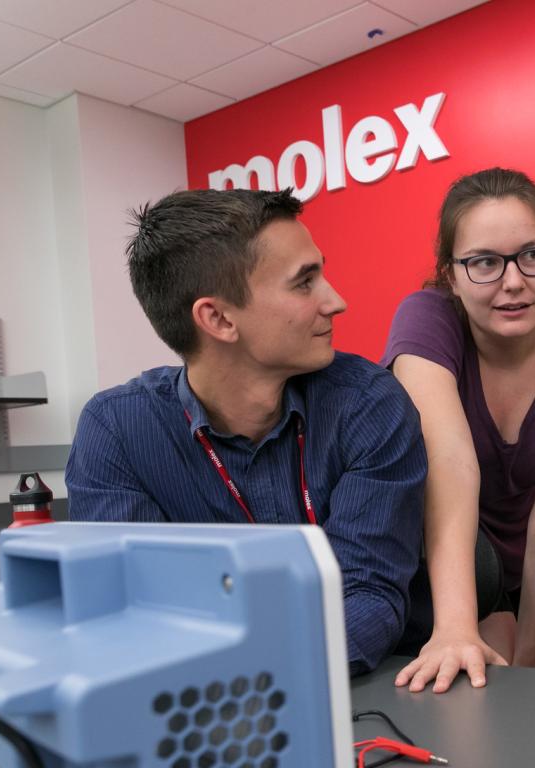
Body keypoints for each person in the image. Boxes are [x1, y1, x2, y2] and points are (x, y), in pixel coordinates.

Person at [65, 188, 426, 676]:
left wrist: (242, 673)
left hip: (361, 686)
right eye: (304, 283)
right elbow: (134, 611)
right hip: (204, 706)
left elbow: (368, 597)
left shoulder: (367, 404)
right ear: (217, 318)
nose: (336, 301)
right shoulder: (118, 431)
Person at [382, 168, 535, 693]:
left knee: (513, 686)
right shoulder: (427, 318)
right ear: (450, 274)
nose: (514, 282)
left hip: (527, 569)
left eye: (533, 255)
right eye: (485, 263)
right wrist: (454, 626)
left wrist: (530, 656)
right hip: (439, 560)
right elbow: (448, 467)